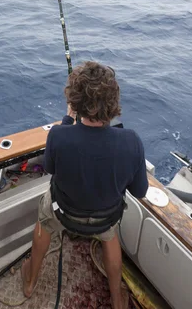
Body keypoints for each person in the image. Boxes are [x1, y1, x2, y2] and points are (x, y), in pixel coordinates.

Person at [22, 61, 149, 309]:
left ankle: (30, 281)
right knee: (109, 237)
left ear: (74, 101)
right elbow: (140, 191)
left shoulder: (58, 135)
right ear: (113, 103)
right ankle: (116, 298)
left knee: (44, 219)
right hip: (105, 220)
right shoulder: (132, 141)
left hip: (64, 214)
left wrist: (67, 120)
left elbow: (50, 169)